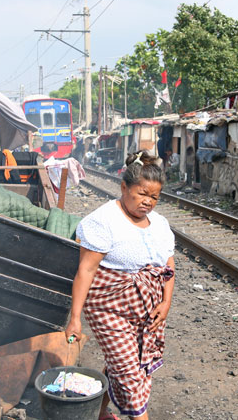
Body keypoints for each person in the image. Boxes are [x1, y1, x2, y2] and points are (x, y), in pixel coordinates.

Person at [65, 151, 176, 420]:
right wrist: (75, 318)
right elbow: (86, 270)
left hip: (146, 310)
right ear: (124, 187)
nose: (148, 202)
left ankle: (99, 413)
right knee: (129, 373)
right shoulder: (103, 221)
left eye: (154, 197)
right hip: (108, 308)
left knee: (124, 363)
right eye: (142, 194)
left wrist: (166, 302)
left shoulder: (160, 224)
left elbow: (168, 265)